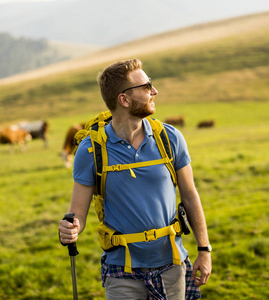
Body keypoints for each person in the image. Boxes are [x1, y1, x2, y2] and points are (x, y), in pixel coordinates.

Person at [58, 58, 212, 299]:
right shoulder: (91, 151)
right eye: (146, 87)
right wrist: (71, 229)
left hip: (172, 265)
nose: (154, 91)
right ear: (124, 99)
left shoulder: (170, 138)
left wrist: (204, 249)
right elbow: (77, 212)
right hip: (122, 273)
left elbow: (190, 196)